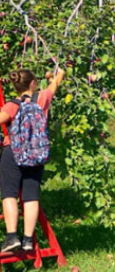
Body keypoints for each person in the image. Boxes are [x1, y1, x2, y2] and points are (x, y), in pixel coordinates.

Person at [0, 68, 66, 252]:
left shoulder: (11, 105)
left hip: (13, 152)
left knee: (9, 194)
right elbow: (56, 83)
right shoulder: (42, 98)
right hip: (36, 154)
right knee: (31, 195)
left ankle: (12, 236)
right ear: (33, 83)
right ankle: (28, 240)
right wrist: (58, 74)